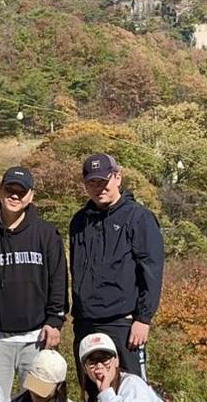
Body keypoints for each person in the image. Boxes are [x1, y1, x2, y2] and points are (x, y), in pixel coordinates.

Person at [0, 166, 68, 398]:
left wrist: (55, 320)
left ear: (31, 196)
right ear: (0, 190)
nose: (15, 196)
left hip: (38, 339)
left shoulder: (46, 233)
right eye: (10, 189)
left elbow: (58, 280)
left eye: (21, 191)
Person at [69, 153, 164, 381]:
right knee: (91, 393)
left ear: (117, 178)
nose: (99, 188)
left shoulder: (139, 217)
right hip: (85, 323)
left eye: (104, 181)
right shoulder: (79, 221)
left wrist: (143, 318)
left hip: (123, 323)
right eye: (92, 182)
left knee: (131, 390)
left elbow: (151, 271)